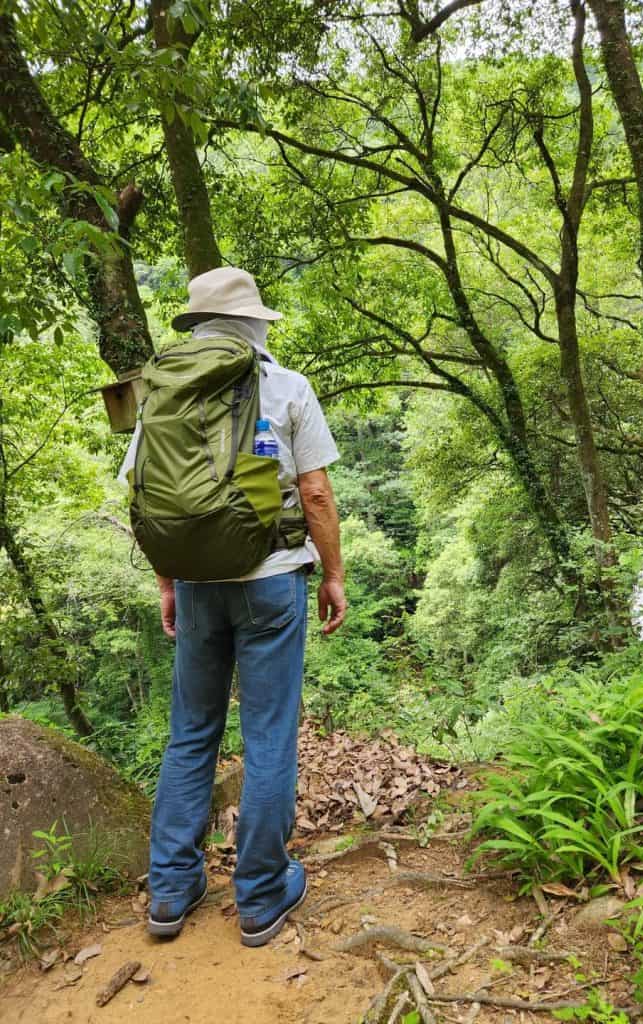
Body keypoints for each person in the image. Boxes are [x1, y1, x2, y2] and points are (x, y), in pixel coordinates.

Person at [118, 266, 347, 947]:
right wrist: (332, 573)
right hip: (272, 579)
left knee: (191, 732)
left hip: (195, 586)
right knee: (269, 733)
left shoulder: (162, 387)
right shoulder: (285, 386)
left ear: (198, 323)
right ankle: (261, 895)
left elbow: (143, 493)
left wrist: (169, 581)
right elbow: (314, 494)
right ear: (254, 322)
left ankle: (170, 889)